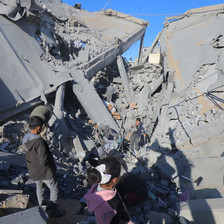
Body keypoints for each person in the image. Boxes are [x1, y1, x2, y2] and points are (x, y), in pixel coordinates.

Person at [22, 116, 64, 217]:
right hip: (44, 171)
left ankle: (42, 207)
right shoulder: (39, 142)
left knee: (39, 187)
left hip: (33, 169)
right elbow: (43, 159)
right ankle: (53, 211)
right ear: (38, 128)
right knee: (54, 188)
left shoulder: (25, 137)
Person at [84, 156, 133, 224]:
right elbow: (125, 221)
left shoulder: (95, 188)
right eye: (119, 175)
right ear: (115, 180)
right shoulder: (115, 208)